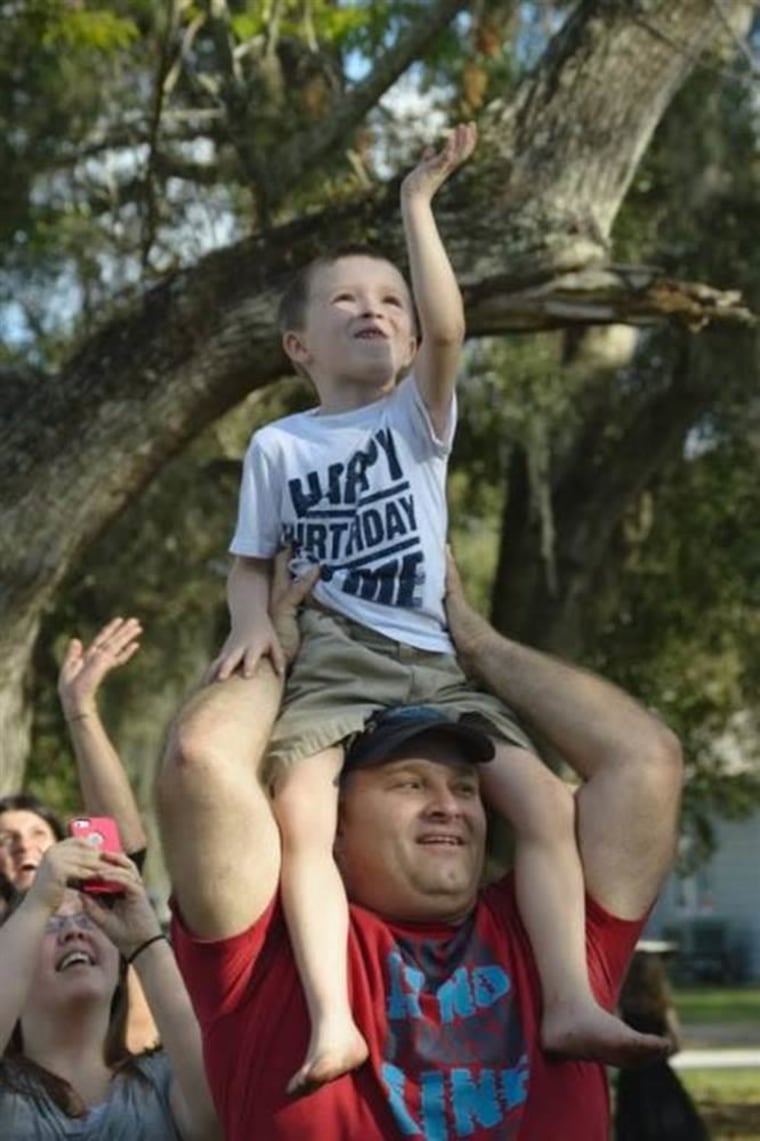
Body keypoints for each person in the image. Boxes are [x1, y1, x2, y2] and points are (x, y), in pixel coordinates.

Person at [208, 122, 657, 1094]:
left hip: (436, 663)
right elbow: (250, 563)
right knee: (298, 812)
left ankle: (574, 1001)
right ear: (299, 345)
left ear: (412, 339)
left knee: (544, 804)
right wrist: (252, 621)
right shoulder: (279, 449)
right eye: (345, 301)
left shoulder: (417, 420)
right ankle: (333, 1020)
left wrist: (417, 205)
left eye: (389, 303)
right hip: (333, 660)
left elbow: (454, 329)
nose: (373, 311)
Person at [157, 549, 682, 1141]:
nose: (449, 805)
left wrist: (481, 646)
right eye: (409, 784)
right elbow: (201, 760)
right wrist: (269, 652)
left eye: (465, 787)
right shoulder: (268, 956)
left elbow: (645, 761)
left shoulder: (555, 933)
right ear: (334, 824)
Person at [0, 616, 158, 1053]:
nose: (23, 845)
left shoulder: (102, 909)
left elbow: (122, 848)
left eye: (38, 833)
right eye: (5, 839)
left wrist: (79, 708)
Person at [0, 838, 220, 1139]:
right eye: (50, 923)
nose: (73, 931)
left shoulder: (165, 1081)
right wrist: (35, 905)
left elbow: (219, 1111)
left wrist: (146, 944)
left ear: (120, 970)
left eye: (88, 919)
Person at [614, 947, 711, 1140]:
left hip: (631, 1074)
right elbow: (677, 1042)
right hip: (659, 1071)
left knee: (633, 1123)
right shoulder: (662, 1005)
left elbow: (616, 1041)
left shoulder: (622, 1006)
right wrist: (658, 1055)